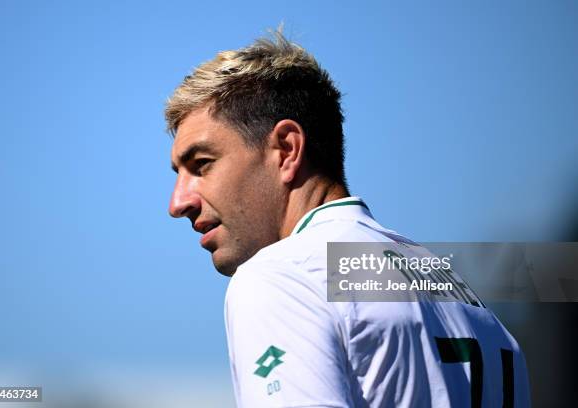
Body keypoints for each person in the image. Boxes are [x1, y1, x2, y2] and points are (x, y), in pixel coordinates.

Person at [165, 31, 530, 407]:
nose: (178, 202)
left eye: (201, 165)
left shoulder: (283, 275)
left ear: (286, 150)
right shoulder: (465, 298)